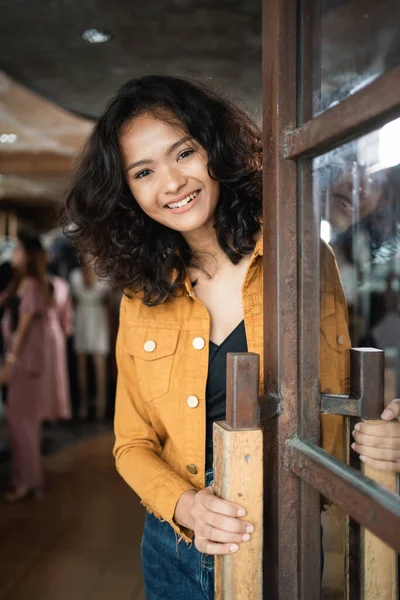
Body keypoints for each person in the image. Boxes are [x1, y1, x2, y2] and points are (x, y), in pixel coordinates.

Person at [64, 75, 400, 600]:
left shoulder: (300, 257)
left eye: (184, 153)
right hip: (175, 550)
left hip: (283, 541)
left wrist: (377, 434)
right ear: (127, 191)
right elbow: (130, 444)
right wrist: (184, 505)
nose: (172, 183)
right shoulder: (140, 295)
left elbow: (334, 400)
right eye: (144, 171)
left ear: (214, 149)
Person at [0, 232, 72, 502]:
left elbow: (23, 329)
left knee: (22, 422)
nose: (13, 254)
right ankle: (26, 478)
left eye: (17, 250)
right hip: (23, 360)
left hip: (26, 361)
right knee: (21, 421)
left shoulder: (31, 284)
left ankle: (28, 481)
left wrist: (9, 363)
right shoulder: (22, 282)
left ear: (28, 255)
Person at [70, 255, 110, 421]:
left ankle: (102, 405)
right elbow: (74, 298)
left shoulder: (105, 275)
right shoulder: (75, 275)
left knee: (99, 363)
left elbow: (106, 299)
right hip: (82, 317)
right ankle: (84, 405)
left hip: (98, 317)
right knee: (82, 364)